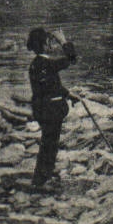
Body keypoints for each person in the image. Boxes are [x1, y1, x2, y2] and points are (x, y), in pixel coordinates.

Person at [26, 27, 77, 190]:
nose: (53, 46)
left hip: (41, 110)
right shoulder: (47, 64)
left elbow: (51, 86)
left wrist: (68, 94)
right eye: (51, 42)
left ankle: (43, 175)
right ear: (46, 45)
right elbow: (72, 59)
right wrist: (64, 41)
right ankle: (40, 180)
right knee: (50, 144)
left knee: (48, 142)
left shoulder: (35, 64)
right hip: (51, 110)